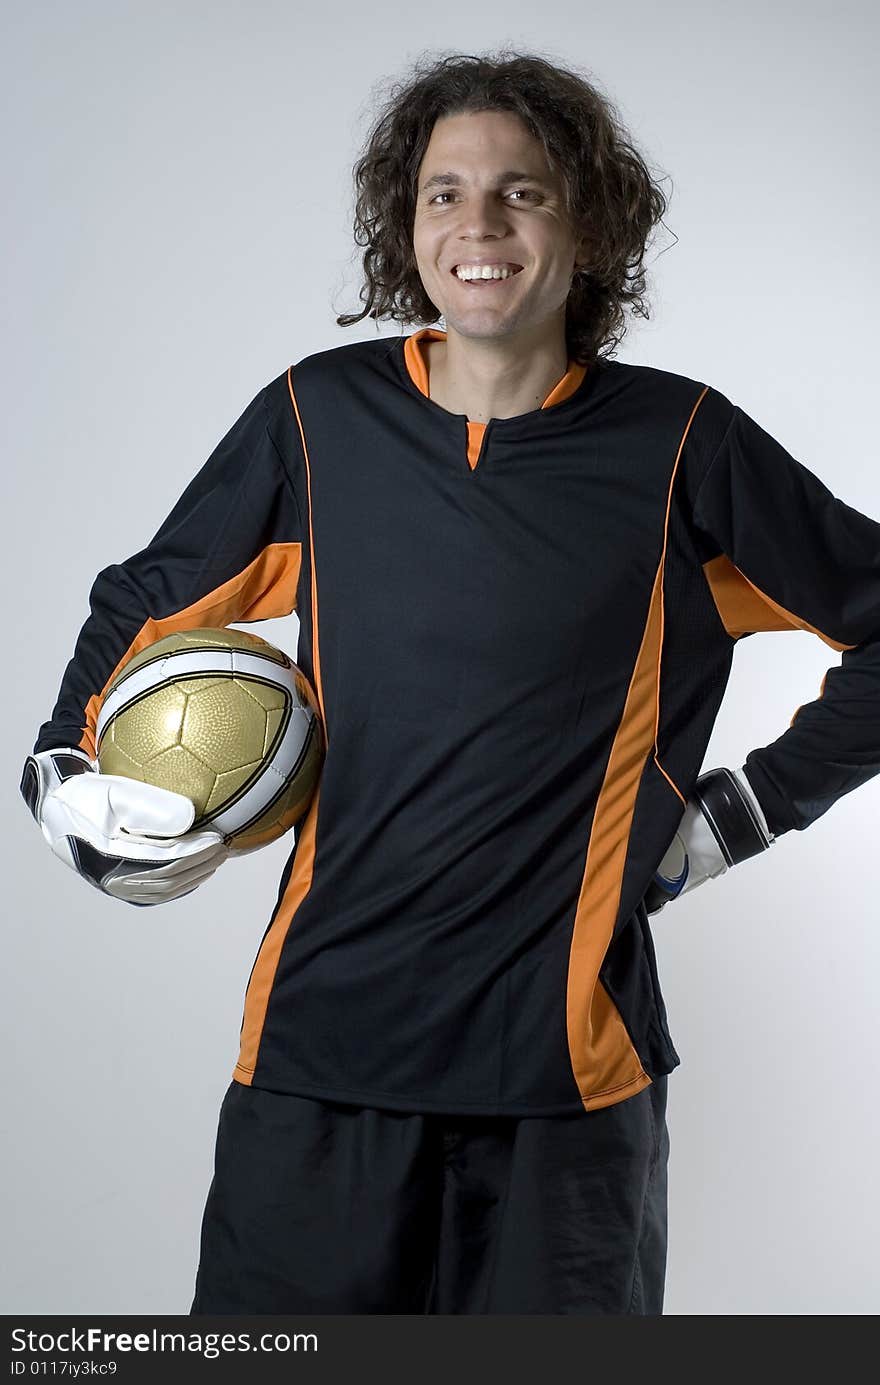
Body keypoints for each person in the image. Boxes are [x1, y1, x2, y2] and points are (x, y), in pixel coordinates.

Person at [19, 50, 880, 1315]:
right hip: (317, 1065)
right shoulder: (318, 421)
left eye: (522, 193)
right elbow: (143, 604)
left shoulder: (681, 445)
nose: (478, 225)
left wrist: (738, 817)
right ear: (404, 223)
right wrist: (61, 773)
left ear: (586, 224)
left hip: (566, 1087)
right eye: (443, 194)